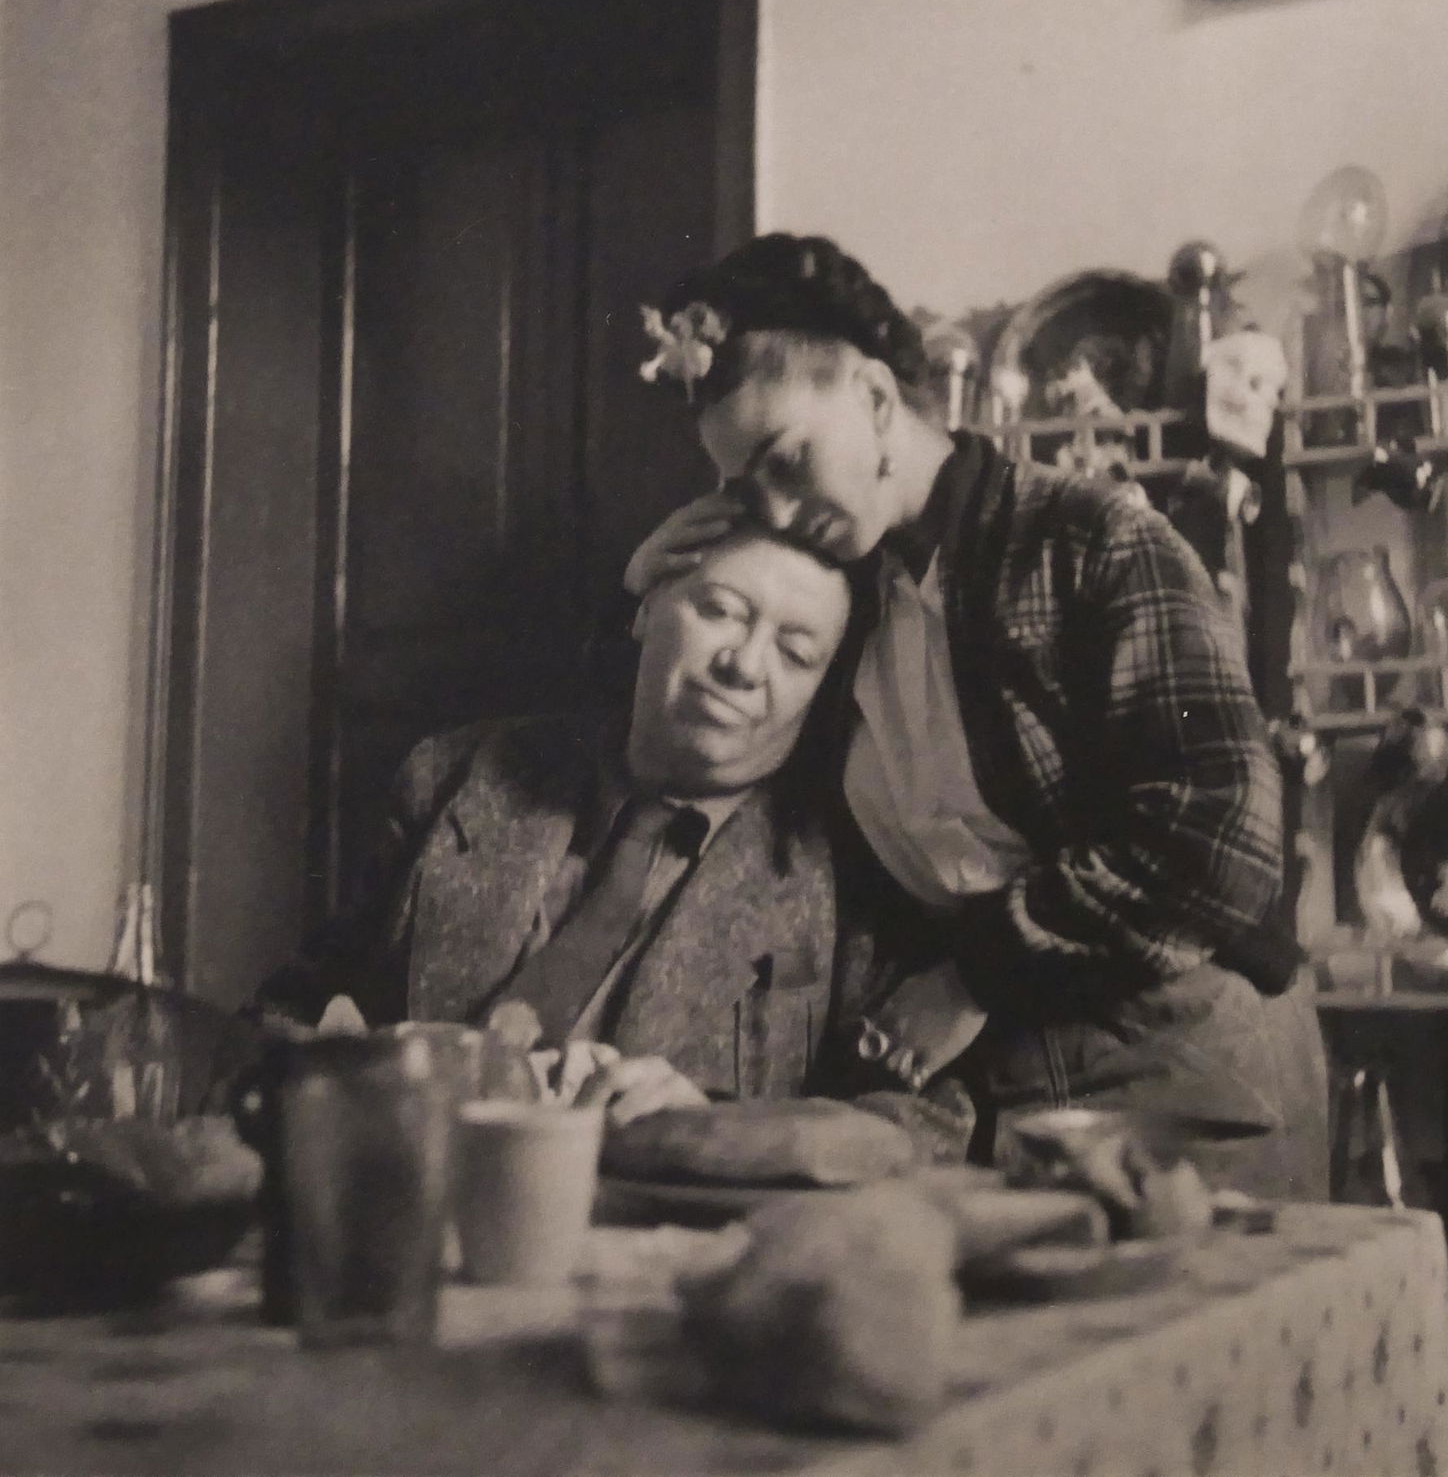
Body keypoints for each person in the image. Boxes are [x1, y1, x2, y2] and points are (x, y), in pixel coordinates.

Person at [629, 233, 1329, 1197]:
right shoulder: (843, 606)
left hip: (1187, 1070)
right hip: (982, 1095)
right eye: (748, 492)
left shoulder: (1091, 539)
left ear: (876, 398)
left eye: (788, 462)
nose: (780, 514)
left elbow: (1223, 835)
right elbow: (693, 751)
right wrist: (648, 585)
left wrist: (975, 977)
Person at [257, 525, 923, 1131]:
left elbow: (927, 1123)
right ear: (646, 608)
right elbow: (286, 1018)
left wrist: (723, 1129)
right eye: (719, 611)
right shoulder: (456, 777)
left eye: (796, 653)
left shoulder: (853, 864)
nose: (744, 666)